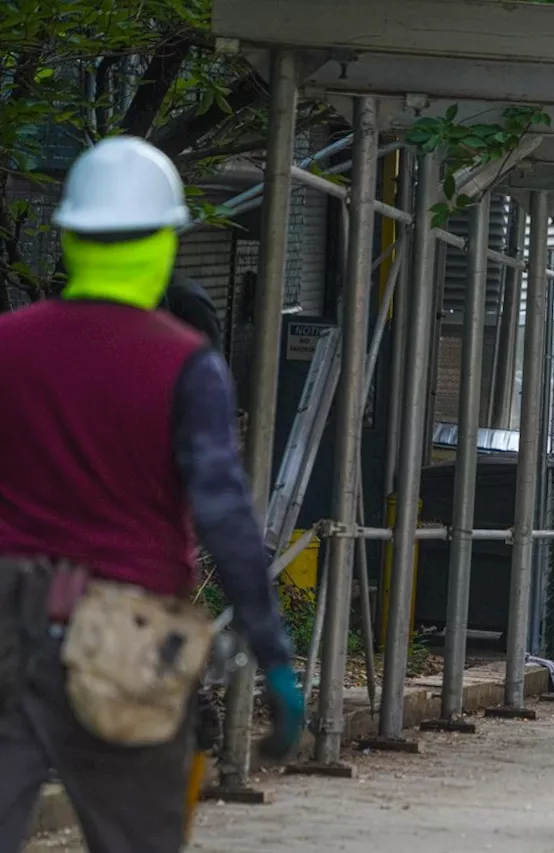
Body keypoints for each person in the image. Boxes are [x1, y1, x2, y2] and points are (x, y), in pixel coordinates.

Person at [0, 136, 302, 853]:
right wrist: (273, 652)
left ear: (70, 235)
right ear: (165, 242)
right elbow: (224, 514)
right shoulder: (184, 363)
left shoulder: (9, 344)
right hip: (127, 627)